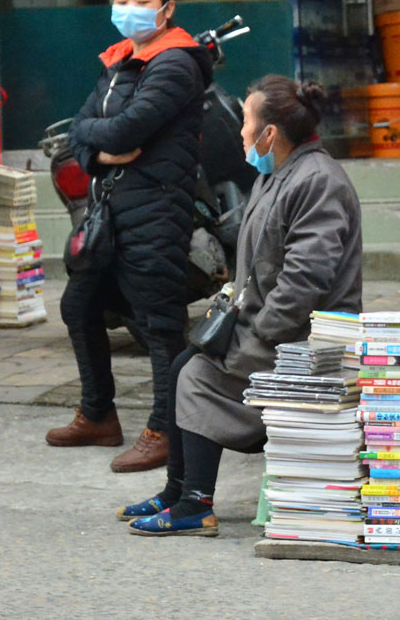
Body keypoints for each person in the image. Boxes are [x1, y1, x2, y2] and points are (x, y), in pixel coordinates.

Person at [119, 75, 363, 535]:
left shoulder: (317, 182)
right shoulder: (279, 174)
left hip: (301, 341)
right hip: (270, 328)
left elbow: (301, 285)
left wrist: (251, 338)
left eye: (247, 123)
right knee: (182, 365)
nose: (241, 133)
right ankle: (176, 490)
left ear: (270, 133)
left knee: (197, 377)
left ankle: (196, 504)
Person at [45, 0, 211, 474]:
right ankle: (98, 415)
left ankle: (166, 430)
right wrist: (99, 153)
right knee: (79, 306)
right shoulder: (119, 61)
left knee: (159, 324)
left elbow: (123, 130)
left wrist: (102, 139)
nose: (130, 8)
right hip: (109, 209)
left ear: (167, 8)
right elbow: (82, 133)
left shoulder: (176, 62)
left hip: (157, 208)